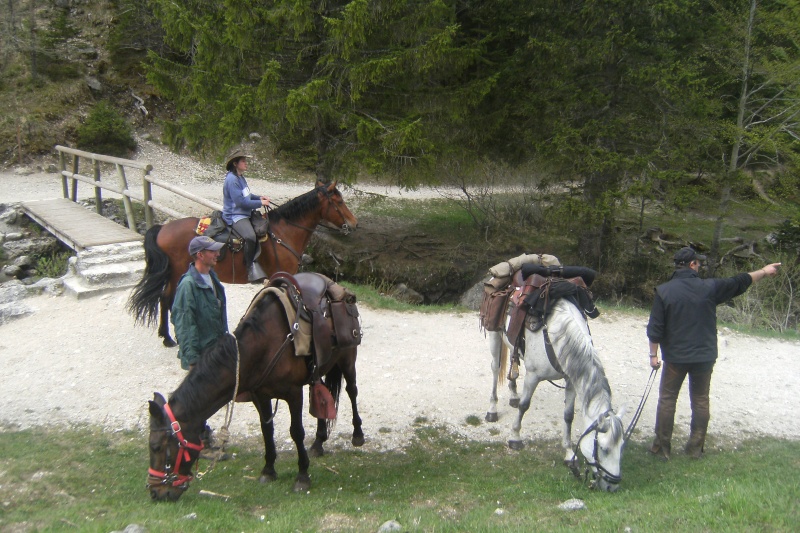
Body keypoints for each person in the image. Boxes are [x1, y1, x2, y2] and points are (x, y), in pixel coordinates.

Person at [646, 246, 781, 460]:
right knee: (700, 399)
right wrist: (764, 271)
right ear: (692, 264)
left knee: (667, 399)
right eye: (698, 263)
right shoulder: (709, 287)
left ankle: (661, 448)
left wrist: (653, 355)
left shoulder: (664, 291)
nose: (699, 266)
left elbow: (655, 328)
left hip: (676, 357)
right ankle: (695, 449)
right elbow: (739, 282)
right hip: (704, 356)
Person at [171, 235, 230, 460]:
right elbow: (184, 324)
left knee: (209, 397)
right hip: (202, 354)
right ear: (200, 255)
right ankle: (200, 443)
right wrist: (193, 358)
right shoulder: (188, 285)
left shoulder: (211, 278)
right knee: (199, 399)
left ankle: (203, 438)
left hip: (215, 350)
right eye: (212, 251)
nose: (217, 254)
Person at [221, 149, 271, 282]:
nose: (246, 163)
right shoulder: (232, 180)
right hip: (235, 215)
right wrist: (260, 203)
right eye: (243, 161)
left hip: (244, 213)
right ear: (235, 163)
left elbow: (247, 195)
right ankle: (249, 268)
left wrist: (260, 197)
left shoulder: (240, 177)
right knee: (250, 236)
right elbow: (240, 202)